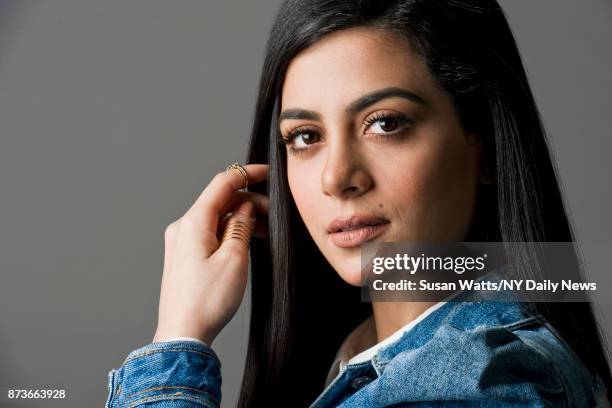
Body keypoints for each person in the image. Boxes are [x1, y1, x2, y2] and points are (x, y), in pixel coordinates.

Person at [105, 0, 611, 406]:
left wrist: (177, 341)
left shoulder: (481, 382)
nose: (336, 177)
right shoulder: (357, 356)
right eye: (305, 136)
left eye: (386, 123)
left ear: (486, 148)